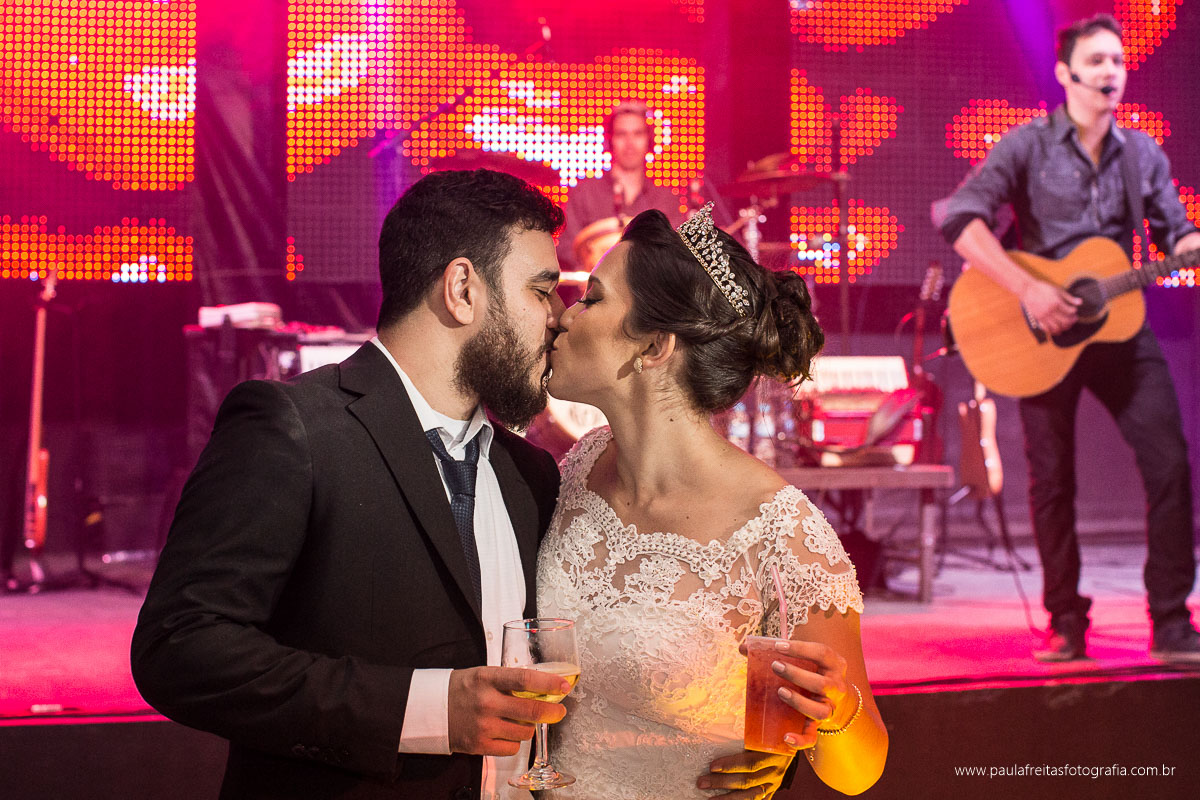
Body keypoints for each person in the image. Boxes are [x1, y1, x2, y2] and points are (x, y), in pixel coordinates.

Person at [131, 169, 575, 799]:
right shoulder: (292, 427)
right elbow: (179, 648)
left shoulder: (530, 472)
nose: (559, 318)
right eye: (542, 290)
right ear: (462, 290)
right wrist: (424, 710)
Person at [538, 204, 889, 798]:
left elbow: (861, 772)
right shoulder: (581, 465)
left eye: (591, 299)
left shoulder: (782, 532)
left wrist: (834, 715)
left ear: (654, 346)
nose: (563, 316)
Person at [935, 13, 1200, 663]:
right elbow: (959, 217)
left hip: (1120, 330)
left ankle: (1171, 620)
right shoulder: (1026, 146)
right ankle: (1065, 621)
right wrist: (1027, 288)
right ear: (1066, 74)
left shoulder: (1142, 153)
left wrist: (1191, 243)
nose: (1112, 71)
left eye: (1118, 61)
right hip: (1041, 334)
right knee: (1052, 480)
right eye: (1098, 60)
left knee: (1170, 464)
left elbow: (1176, 234)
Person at [557, 101, 686, 273]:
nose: (630, 143)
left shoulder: (665, 199)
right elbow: (566, 249)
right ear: (610, 141)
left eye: (637, 134)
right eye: (621, 134)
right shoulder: (585, 193)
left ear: (649, 141)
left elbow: (677, 256)